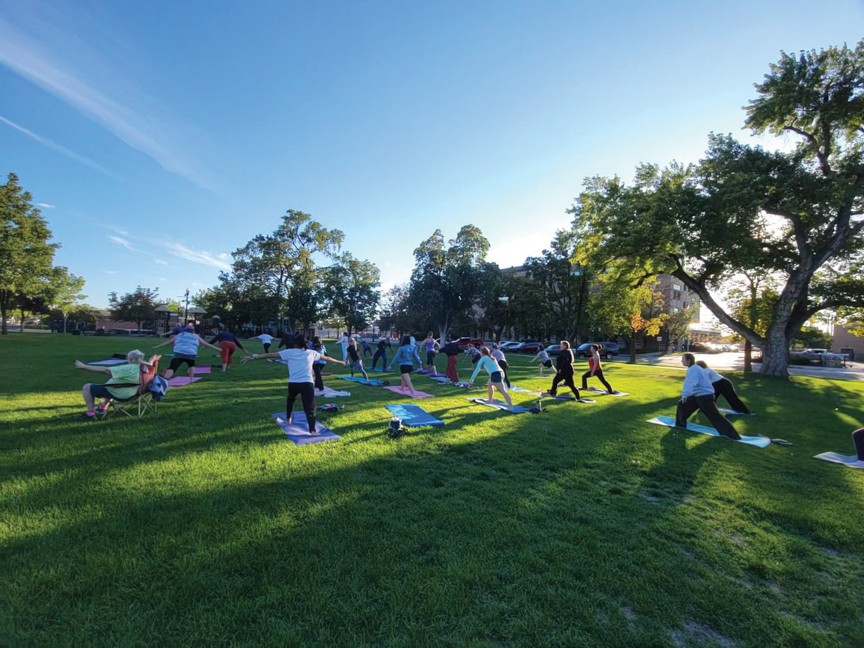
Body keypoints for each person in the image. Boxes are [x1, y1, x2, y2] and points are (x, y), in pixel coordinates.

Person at [242, 334, 344, 434]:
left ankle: (288, 419)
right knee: (310, 407)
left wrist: (253, 357)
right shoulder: (311, 353)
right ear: (306, 343)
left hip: (293, 384)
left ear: (295, 344)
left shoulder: (289, 352)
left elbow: (270, 355)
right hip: (307, 384)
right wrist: (340, 362)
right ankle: (312, 430)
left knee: (291, 399)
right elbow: (327, 358)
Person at [73, 350, 160, 419]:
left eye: (129, 359)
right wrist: (152, 361)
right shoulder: (147, 367)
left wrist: (84, 366)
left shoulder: (129, 368)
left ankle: (90, 413)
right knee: (112, 386)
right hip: (137, 393)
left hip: (123, 394)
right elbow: (149, 364)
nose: (128, 361)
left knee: (87, 387)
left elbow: (106, 370)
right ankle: (102, 408)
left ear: (133, 360)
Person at [675, 353, 742, 439]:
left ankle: (732, 435)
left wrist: (685, 394)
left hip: (704, 397)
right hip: (699, 395)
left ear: (689, 360)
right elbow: (696, 384)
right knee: (682, 404)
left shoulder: (694, 369)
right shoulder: (695, 368)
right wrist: (687, 395)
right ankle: (680, 425)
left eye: (683, 359)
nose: (681, 361)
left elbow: (690, 383)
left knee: (714, 415)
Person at [154, 324, 222, 379]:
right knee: (191, 366)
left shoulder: (180, 335)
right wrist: (217, 348)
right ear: (193, 331)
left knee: (172, 367)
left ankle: (165, 379)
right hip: (191, 354)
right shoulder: (196, 336)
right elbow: (205, 343)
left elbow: (169, 342)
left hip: (179, 353)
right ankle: (191, 379)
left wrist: (157, 346)